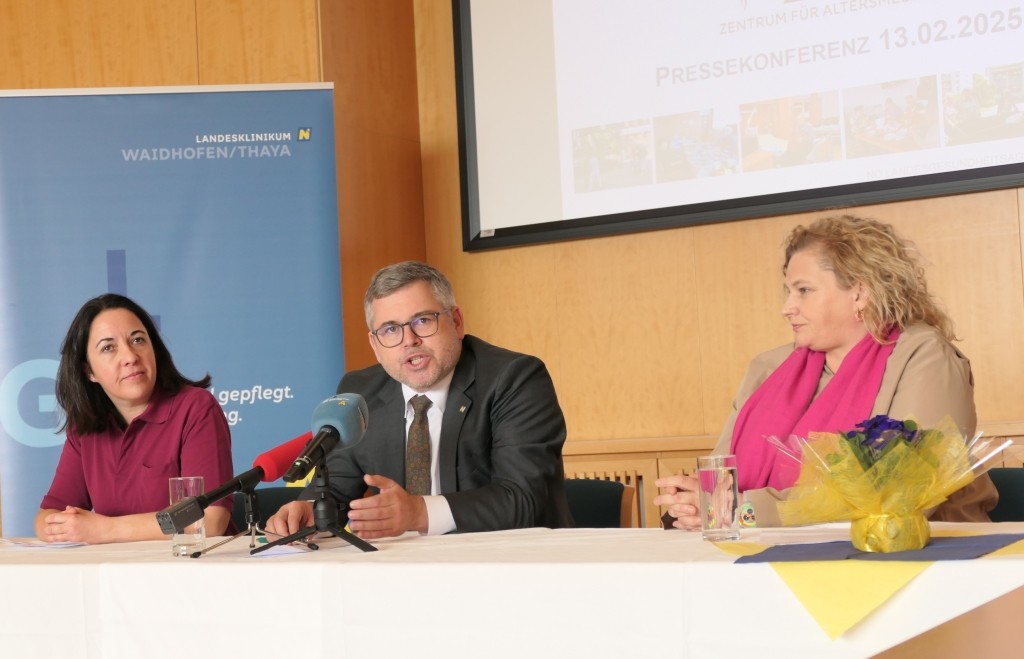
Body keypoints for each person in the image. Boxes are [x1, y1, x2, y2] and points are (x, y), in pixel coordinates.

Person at [656, 215, 997, 528]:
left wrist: (741, 511)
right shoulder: (768, 367)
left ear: (860, 293)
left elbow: (901, 494)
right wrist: (694, 506)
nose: (786, 308)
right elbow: (721, 482)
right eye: (789, 291)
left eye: (804, 290)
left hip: (923, 557)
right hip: (764, 553)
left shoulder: (924, 355)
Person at [265, 261, 572, 539]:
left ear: (456, 321)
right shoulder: (361, 392)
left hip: (511, 571)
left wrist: (419, 512)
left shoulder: (515, 379)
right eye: (390, 329)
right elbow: (337, 486)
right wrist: (308, 510)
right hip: (405, 577)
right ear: (375, 344)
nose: (409, 340)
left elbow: (522, 499)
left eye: (423, 321)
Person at [35, 293, 234, 543]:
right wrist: (63, 526)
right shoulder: (85, 428)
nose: (130, 356)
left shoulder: (195, 408)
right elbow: (47, 516)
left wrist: (101, 530)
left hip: (196, 570)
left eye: (138, 340)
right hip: (118, 575)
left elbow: (211, 519)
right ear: (89, 372)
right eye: (108, 347)